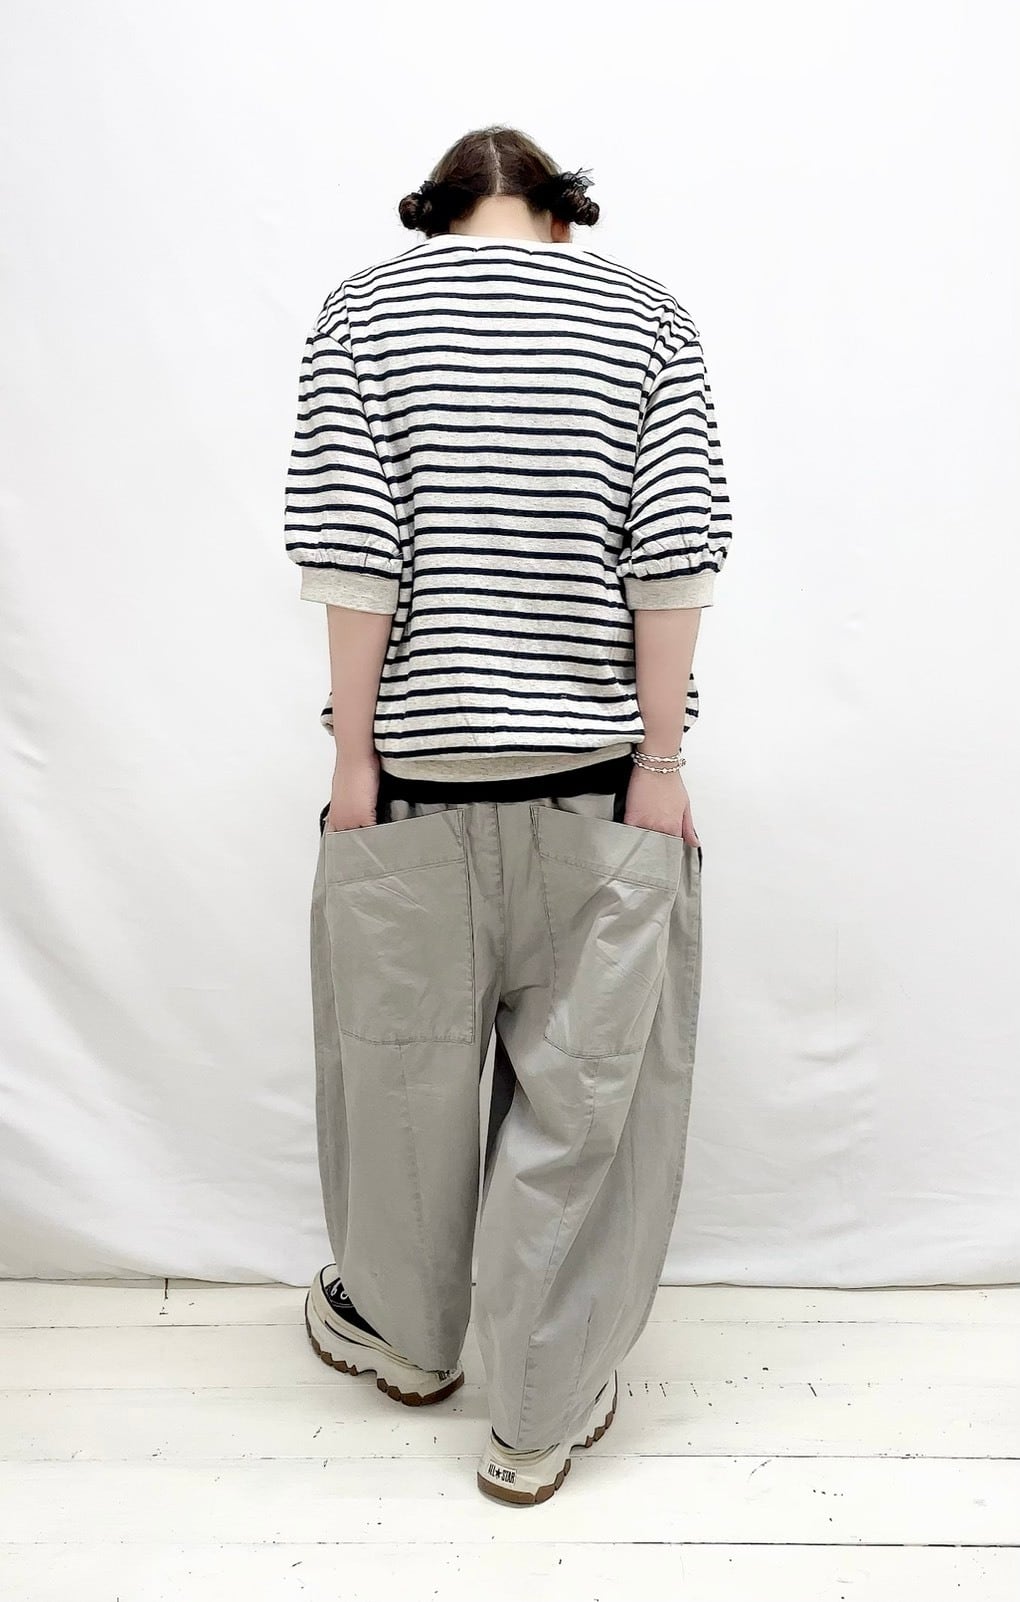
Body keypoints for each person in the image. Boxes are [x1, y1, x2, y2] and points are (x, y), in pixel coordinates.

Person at [284, 125, 733, 1506]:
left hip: (412, 792)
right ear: (560, 216)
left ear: (434, 216)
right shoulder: (646, 317)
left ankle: (408, 1340)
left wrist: (355, 764)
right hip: (599, 794)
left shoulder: (363, 311)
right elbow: (674, 559)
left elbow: (351, 553)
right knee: (585, 1107)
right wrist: (663, 763)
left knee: (395, 1086)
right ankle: (535, 1412)